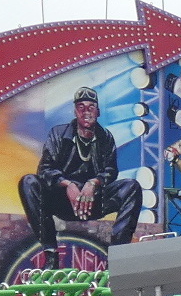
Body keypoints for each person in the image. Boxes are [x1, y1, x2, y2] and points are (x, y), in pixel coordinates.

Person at [20, 86, 141, 257]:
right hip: (62, 201)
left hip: (93, 202)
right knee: (28, 182)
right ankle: (50, 252)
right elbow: (45, 169)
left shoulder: (105, 137)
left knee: (131, 187)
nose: (86, 112)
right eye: (81, 107)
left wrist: (93, 183)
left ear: (98, 112)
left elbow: (111, 170)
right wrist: (67, 185)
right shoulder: (58, 134)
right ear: (75, 112)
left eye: (91, 107)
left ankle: (118, 254)